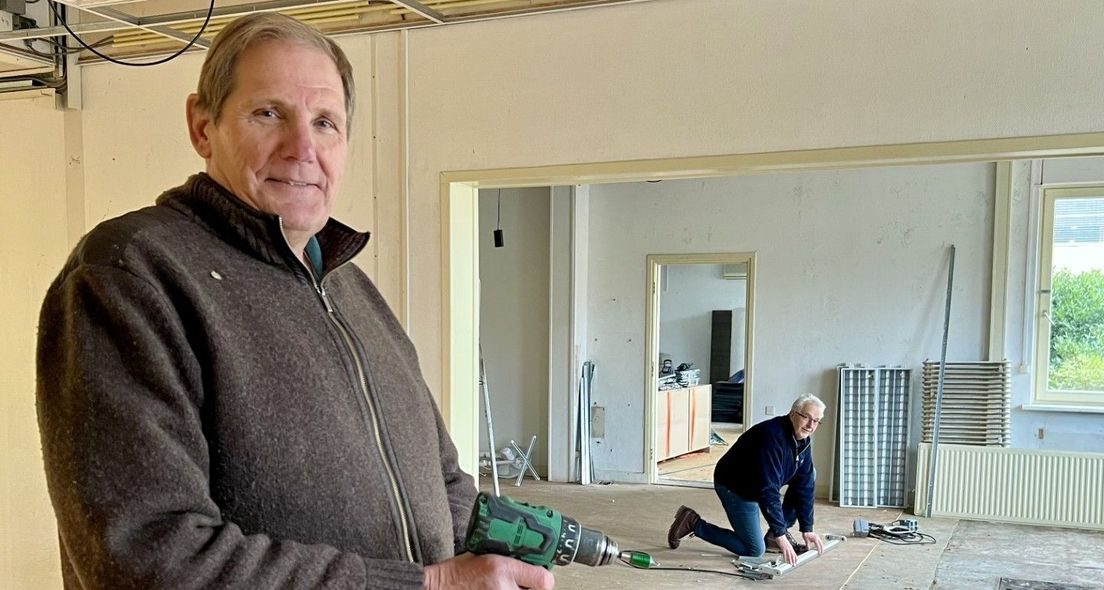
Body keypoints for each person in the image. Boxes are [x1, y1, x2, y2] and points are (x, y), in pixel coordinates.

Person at [35, 13, 553, 590]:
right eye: (269, 113)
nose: (302, 148)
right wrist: (427, 584)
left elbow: (441, 481)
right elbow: (147, 556)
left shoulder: (351, 288)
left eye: (325, 122)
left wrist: (509, 546)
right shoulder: (132, 273)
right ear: (202, 126)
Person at [666, 394, 827, 566]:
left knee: (810, 474)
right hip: (736, 487)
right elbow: (768, 489)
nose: (811, 425)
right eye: (807, 417)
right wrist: (781, 534)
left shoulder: (802, 440)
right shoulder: (771, 436)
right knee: (754, 550)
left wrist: (807, 529)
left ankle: (773, 536)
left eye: (816, 421)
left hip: (758, 484)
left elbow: (805, 484)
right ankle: (693, 523)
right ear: (793, 413)